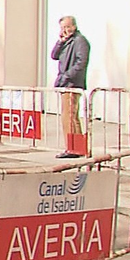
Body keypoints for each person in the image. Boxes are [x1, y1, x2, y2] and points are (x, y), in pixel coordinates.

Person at [51, 15, 90, 159]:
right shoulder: (66, 42)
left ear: (74, 26)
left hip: (72, 83)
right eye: (63, 27)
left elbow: (81, 63)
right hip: (65, 83)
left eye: (68, 27)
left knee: (70, 116)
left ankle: (74, 148)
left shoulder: (80, 41)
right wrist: (60, 42)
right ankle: (75, 147)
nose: (65, 30)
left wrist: (66, 77)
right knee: (68, 116)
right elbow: (54, 55)